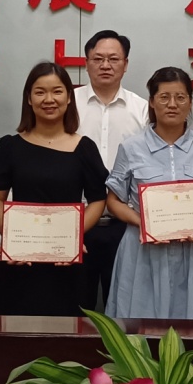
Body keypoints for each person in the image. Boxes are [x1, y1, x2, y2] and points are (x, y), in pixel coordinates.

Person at [104, 67, 193, 320]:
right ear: (152, 102)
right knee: (139, 325)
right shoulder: (131, 147)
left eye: (180, 97)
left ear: (190, 102)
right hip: (143, 250)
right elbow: (113, 200)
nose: (172, 104)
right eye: (164, 97)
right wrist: (144, 223)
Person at [0, 62, 109, 316]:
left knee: (67, 331)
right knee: (20, 329)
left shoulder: (84, 148)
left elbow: (98, 200)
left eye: (57, 91)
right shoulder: (11, 146)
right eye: (40, 92)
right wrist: (10, 238)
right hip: (21, 261)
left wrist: (74, 235)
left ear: (68, 97)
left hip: (67, 262)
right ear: (29, 99)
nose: (49, 99)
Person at [74, 30, 149, 310]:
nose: (105, 65)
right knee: (75, 307)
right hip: (75, 224)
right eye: (98, 59)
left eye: (113, 59)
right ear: (86, 63)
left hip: (124, 226)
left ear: (125, 64)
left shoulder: (142, 110)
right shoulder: (67, 104)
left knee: (123, 309)